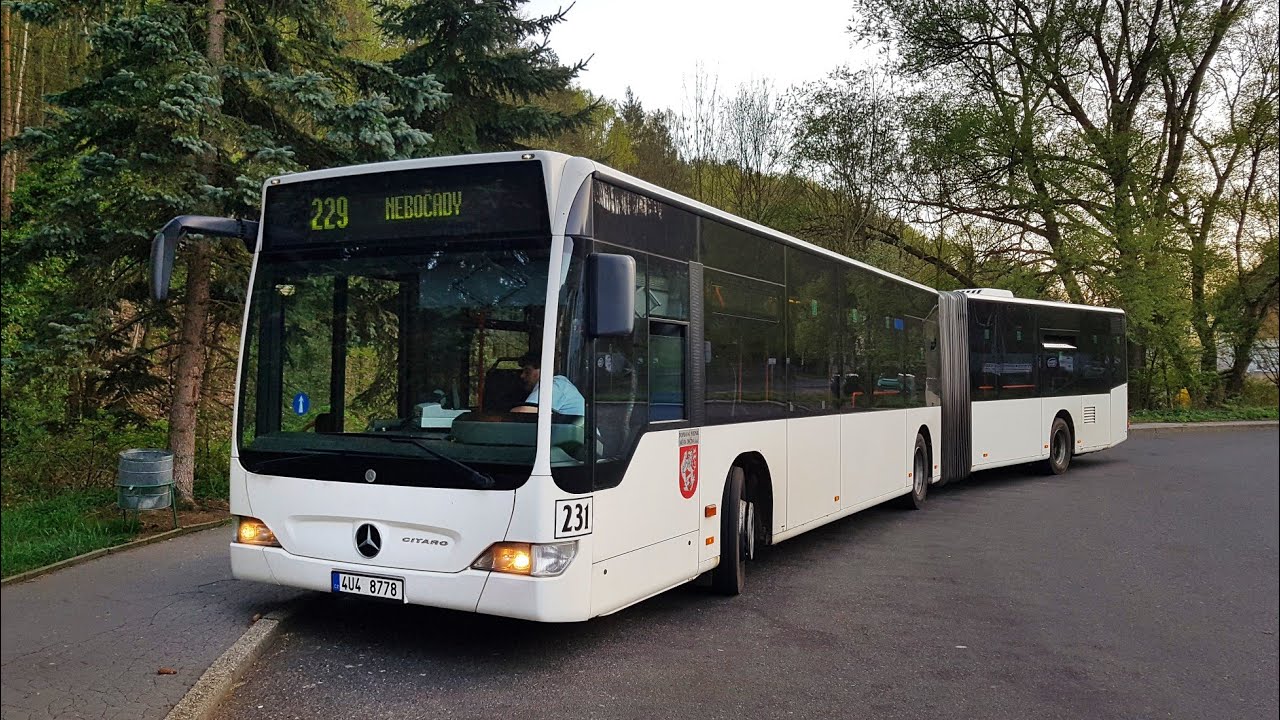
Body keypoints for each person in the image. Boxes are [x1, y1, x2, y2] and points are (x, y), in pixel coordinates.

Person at [511, 351, 585, 416]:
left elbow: (523, 413)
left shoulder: (554, 385)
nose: (522, 376)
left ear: (544, 369)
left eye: (527, 371)